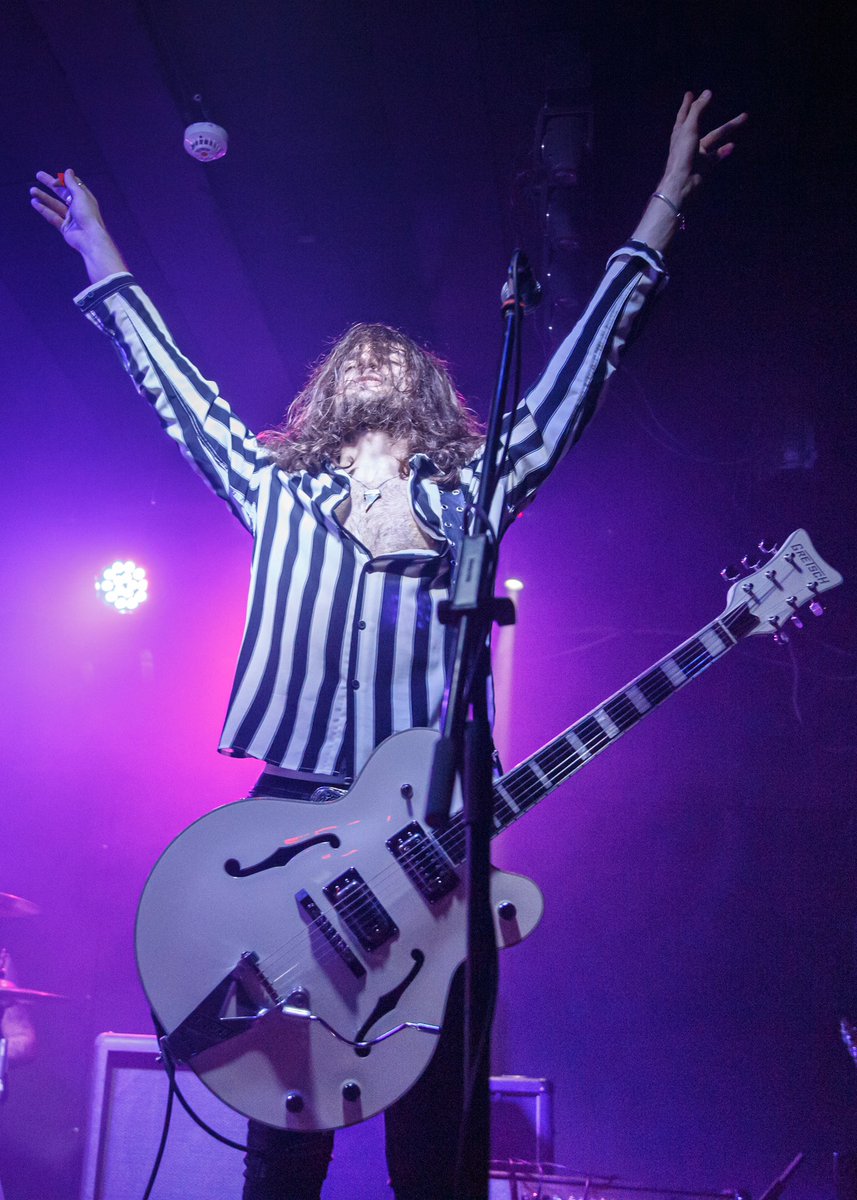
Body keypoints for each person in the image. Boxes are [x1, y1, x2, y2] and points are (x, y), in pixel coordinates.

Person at [31, 90, 745, 1200]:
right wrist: (99, 252)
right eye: (350, 352)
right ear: (322, 390)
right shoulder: (274, 490)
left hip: (434, 839)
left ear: (424, 389)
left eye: (390, 351)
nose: (370, 356)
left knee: (436, 1142)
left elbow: (577, 381)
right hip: (289, 826)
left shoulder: (471, 495)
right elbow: (171, 386)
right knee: (287, 1139)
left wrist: (659, 206)